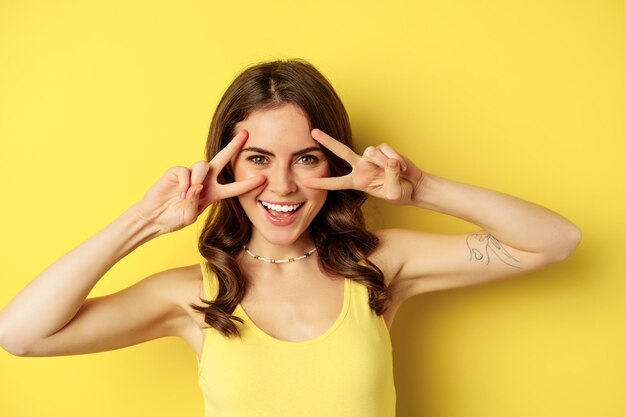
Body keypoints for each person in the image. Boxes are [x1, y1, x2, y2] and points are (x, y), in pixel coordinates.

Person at [0, 58, 581, 416]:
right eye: (257, 158)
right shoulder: (193, 297)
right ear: (224, 166)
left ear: (334, 160)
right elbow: (21, 335)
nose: (282, 185)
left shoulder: (378, 266)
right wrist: (145, 222)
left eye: (305, 158)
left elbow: (554, 240)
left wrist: (420, 188)